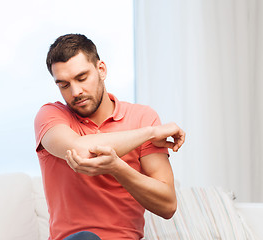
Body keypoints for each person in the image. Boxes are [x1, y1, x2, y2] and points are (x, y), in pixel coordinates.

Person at [34, 34, 185, 240]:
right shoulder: (51, 116)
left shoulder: (142, 117)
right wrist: (149, 133)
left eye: (82, 78)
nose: (76, 91)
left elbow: (168, 205)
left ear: (101, 70)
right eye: (64, 85)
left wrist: (117, 167)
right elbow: (81, 151)